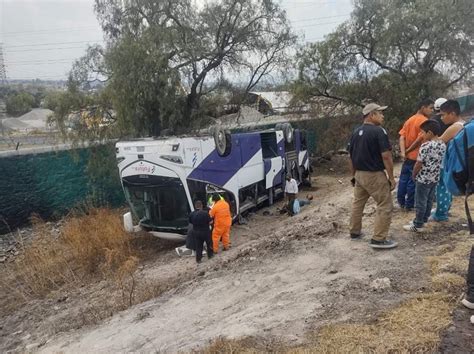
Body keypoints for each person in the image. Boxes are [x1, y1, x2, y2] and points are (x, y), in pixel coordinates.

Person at [348, 103, 397, 249]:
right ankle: (379, 239)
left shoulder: (356, 132)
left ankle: (354, 232)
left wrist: (353, 175)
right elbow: (386, 156)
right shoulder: (379, 131)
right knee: (385, 204)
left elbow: (350, 157)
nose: (383, 116)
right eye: (380, 113)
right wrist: (391, 177)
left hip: (359, 174)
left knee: (358, 203)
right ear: (372, 115)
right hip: (374, 175)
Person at [403, 120, 445, 232]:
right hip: (434, 177)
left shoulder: (425, 146)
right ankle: (424, 220)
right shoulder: (442, 144)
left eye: (422, 133)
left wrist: (414, 174)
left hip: (423, 178)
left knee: (420, 201)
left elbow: (419, 163)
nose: (421, 135)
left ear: (430, 133)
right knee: (429, 200)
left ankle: (418, 225)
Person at [431, 99, 465, 222]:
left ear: (452, 113)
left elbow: (439, 141)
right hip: (453, 161)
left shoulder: (454, 127)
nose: (441, 118)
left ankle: (441, 213)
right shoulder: (463, 124)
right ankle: (444, 209)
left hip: (447, 161)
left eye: (443, 115)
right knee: (446, 187)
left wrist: (429, 136)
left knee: (442, 186)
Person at [397, 99, 434, 211]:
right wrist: (408, 150)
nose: (432, 110)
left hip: (408, 158)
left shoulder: (409, 120)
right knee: (413, 180)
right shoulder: (424, 121)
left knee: (403, 179)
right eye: (430, 108)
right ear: (423, 107)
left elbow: (401, 137)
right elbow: (419, 139)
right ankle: (409, 205)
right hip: (418, 156)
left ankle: (401, 202)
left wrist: (404, 152)